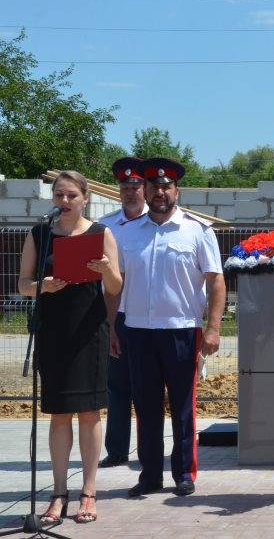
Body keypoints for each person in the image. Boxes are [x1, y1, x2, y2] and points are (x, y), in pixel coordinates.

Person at [114, 157, 225, 497]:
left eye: (165, 186)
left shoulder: (198, 230)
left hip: (181, 330)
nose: (159, 192)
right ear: (145, 191)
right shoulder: (125, 233)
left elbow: (216, 281)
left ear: (177, 190)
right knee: (145, 407)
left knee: (182, 407)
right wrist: (111, 328)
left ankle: (184, 474)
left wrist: (213, 328)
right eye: (153, 187)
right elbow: (114, 284)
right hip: (137, 330)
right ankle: (149, 475)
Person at [18, 170, 122, 524]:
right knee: (59, 414)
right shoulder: (40, 234)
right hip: (54, 333)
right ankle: (58, 493)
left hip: (88, 332)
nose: (64, 202)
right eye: (59, 195)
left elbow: (115, 285)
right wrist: (43, 287)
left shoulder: (100, 233)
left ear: (85, 198)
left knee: (89, 414)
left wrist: (106, 268)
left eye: (71, 196)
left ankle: (89, 492)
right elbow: (23, 286)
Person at [98, 157, 148, 469]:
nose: (130, 192)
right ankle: (116, 449)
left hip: (148, 316)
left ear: (145, 188)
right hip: (116, 313)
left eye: (135, 186)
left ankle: (148, 450)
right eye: (125, 187)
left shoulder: (155, 221)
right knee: (116, 386)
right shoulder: (105, 226)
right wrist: (109, 323)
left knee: (148, 387)